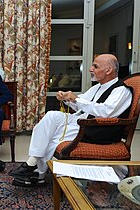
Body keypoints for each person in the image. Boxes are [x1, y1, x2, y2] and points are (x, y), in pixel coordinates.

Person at [9, 54, 133, 186]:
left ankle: (37, 173)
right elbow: (82, 104)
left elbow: (105, 112)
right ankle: (32, 164)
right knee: (51, 116)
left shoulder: (121, 91)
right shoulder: (98, 87)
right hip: (81, 121)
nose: (91, 69)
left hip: (96, 129)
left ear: (108, 70)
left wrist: (76, 99)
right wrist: (67, 99)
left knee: (51, 137)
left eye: (95, 66)